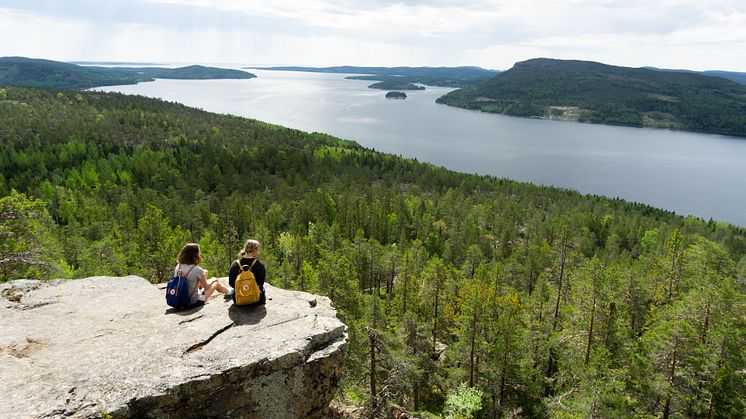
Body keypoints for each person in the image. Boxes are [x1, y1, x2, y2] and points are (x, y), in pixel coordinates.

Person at [228, 239, 267, 304]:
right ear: (254, 250)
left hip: (239, 299)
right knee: (263, 289)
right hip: (257, 300)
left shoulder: (235, 264)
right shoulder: (259, 265)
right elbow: (261, 283)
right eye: (257, 250)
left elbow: (231, 283)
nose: (258, 252)